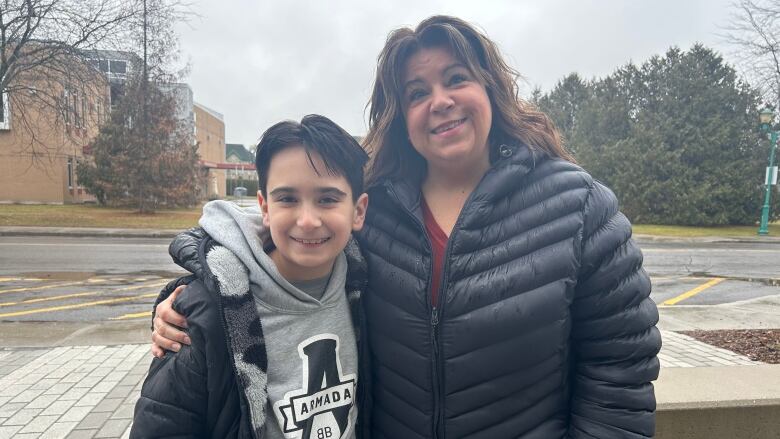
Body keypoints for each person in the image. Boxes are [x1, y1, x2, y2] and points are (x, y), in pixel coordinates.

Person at [153, 15, 661, 438]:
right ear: (400, 113)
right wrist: (194, 298)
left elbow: (621, 369)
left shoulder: (579, 208)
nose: (440, 100)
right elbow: (276, 247)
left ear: (490, 87)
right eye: (418, 92)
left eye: (456, 78)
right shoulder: (374, 207)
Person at [132, 114, 371, 438]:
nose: (308, 220)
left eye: (327, 199)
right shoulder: (210, 317)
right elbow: (162, 425)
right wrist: (191, 300)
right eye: (287, 199)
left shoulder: (366, 290)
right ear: (265, 207)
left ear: (358, 211)